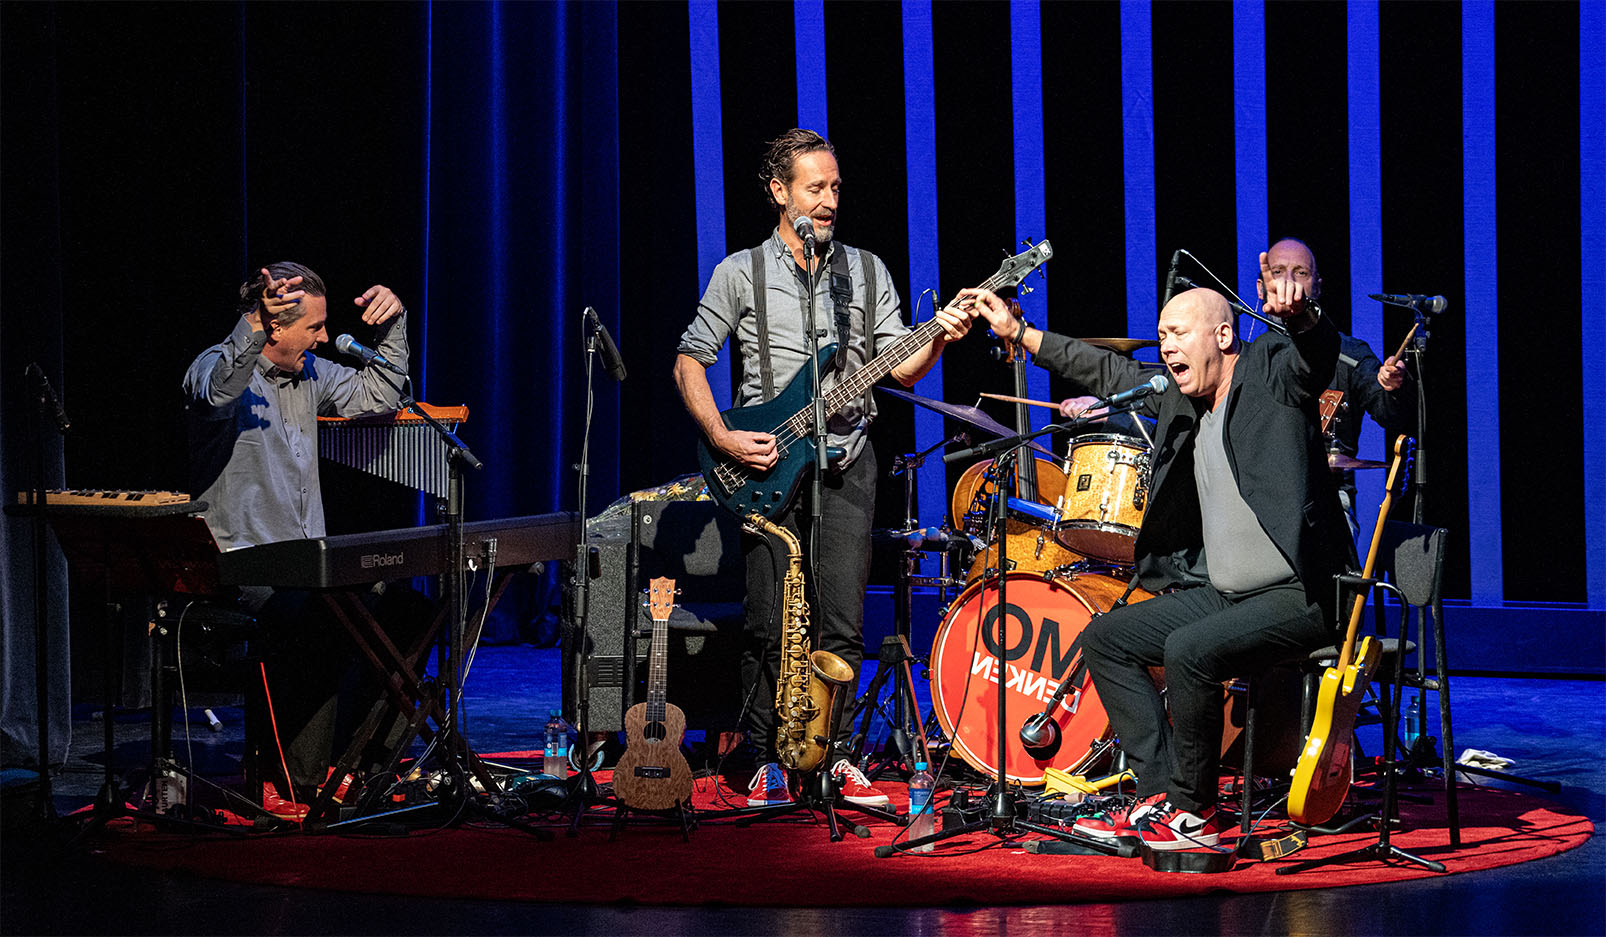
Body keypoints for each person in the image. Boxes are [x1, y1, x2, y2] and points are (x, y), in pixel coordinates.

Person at [965, 268, 1351, 851]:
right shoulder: (1182, 398)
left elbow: (1314, 357)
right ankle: (1161, 793)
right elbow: (1107, 369)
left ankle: (1198, 815)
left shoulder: (1272, 372)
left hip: (1305, 594)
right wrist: (1020, 332)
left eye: (1178, 332)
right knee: (1107, 639)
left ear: (1222, 337)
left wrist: (1303, 319)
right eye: (1162, 334)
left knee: (1188, 651)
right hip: (1229, 592)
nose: (1166, 345)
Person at [673, 129, 976, 809]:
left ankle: (834, 754)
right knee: (768, 616)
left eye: (836, 186)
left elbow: (899, 362)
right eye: (816, 187)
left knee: (842, 617)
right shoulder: (738, 272)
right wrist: (722, 435)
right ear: (780, 192)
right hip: (766, 463)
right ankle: (762, 754)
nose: (830, 199)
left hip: (849, 457)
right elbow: (689, 359)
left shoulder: (865, 272)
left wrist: (939, 336)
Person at [184, 263, 421, 815]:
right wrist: (251, 322)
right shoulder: (212, 367)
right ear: (273, 327)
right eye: (313, 327)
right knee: (319, 617)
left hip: (308, 565)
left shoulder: (311, 373)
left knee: (406, 610)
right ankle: (299, 778)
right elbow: (217, 393)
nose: (322, 337)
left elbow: (379, 394)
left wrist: (395, 325)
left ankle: (362, 762)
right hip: (245, 569)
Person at [1256, 237, 1415, 535]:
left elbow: (1390, 413)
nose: (1289, 282)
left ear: (1316, 285)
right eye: (1278, 272)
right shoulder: (1250, 357)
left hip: (1327, 500)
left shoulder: (1350, 354)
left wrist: (1393, 387)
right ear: (1261, 287)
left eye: (1300, 273)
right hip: (1259, 501)